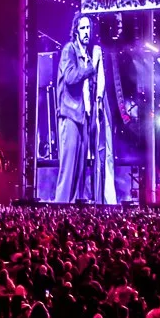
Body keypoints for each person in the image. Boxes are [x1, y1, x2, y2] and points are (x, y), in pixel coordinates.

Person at [54, 14, 111, 203]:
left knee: (80, 171)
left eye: (88, 28)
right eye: (83, 28)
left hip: (84, 116)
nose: (87, 32)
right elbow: (70, 77)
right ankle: (59, 209)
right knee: (68, 169)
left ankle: (74, 210)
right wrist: (91, 67)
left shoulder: (88, 54)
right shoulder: (69, 50)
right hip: (70, 114)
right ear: (76, 31)